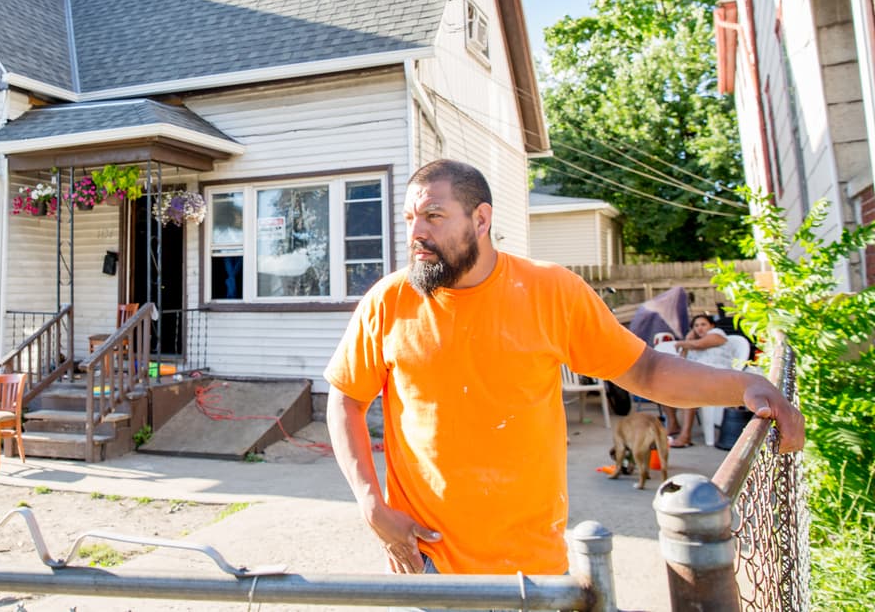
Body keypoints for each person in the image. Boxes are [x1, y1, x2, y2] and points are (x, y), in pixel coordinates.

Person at [325, 159, 804, 582]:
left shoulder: (550, 291)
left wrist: (745, 385)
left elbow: (649, 372)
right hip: (425, 559)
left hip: (532, 565)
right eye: (410, 218)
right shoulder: (389, 301)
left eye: (433, 216)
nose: (416, 234)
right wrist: (371, 505)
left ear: (482, 219)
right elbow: (345, 398)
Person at [662, 313, 734, 448]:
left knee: (691, 389)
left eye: (703, 324)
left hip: (719, 376)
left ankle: (685, 436)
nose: (699, 328)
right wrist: (687, 341)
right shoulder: (692, 344)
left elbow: (700, 345)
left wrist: (683, 342)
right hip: (699, 378)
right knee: (664, 386)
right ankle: (673, 424)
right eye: (696, 326)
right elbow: (683, 361)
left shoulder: (717, 334)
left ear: (711, 325)